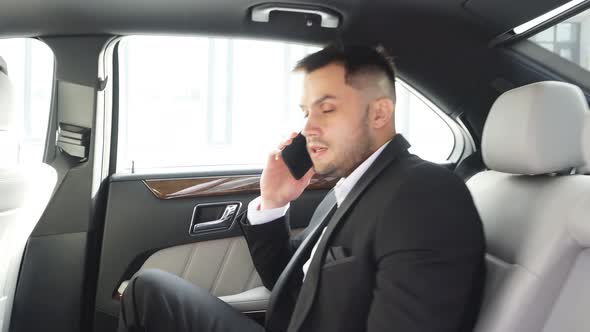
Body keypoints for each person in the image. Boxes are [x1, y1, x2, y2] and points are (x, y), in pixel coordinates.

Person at [118, 44, 485, 332]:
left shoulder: (425, 196)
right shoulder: (349, 188)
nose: (309, 127)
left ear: (379, 113)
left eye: (326, 109)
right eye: (306, 112)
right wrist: (274, 202)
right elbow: (287, 281)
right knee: (147, 291)